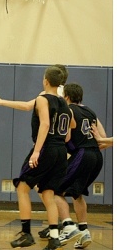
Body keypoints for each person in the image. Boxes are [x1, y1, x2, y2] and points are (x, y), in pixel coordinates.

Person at [9, 66, 73, 249]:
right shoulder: (65, 104)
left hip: (46, 148)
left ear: (46, 81)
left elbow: (44, 124)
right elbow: (69, 133)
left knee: (22, 187)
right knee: (48, 193)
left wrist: (37, 151)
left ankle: (26, 233)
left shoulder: (42, 98)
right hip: (61, 151)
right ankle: (54, 237)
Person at [53, 83, 106, 249]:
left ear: (67, 97)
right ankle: (84, 231)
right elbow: (103, 138)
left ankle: (69, 227)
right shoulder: (90, 111)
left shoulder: (68, 111)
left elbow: (66, 137)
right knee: (78, 193)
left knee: (55, 189)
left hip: (82, 155)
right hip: (97, 157)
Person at [0, 64, 68, 111]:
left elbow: (27, 106)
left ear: (47, 80)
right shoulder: (68, 94)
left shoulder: (45, 95)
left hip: (50, 138)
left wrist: (1, 101)